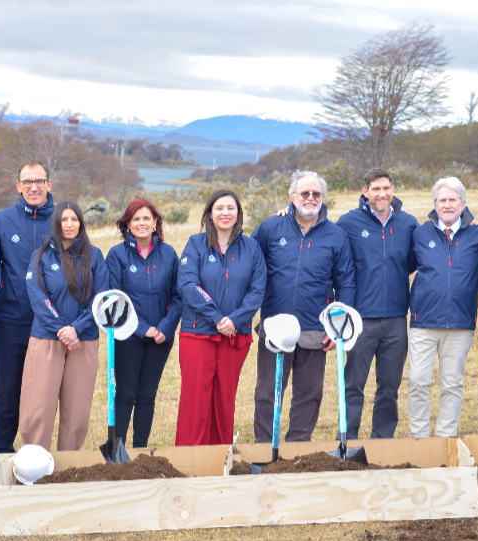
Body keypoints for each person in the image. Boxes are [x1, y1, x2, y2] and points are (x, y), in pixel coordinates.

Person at [251, 170, 355, 443]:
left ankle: (297, 448)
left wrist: (337, 329)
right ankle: (264, 447)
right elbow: (250, 264)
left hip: (315, 331)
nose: (310, 198)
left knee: (309, 395)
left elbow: (345, 284)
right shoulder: (271, 227)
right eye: (304, 193)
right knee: (267, 393)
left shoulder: (336, 235)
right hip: (275, 327)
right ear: (292, 197)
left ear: (323, 198)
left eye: (316, 194)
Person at [334, 168, 419, 439]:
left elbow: (416, 260)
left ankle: (382, 441)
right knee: (353, 384)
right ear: (365, 192)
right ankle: (347, 442)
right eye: (375, 189)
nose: (381, 194)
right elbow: (327, 245)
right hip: (360, 320)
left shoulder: (408, 224)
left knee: (389, 386)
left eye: (386, 188)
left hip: (396, 319)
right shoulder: (348, 223)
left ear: (393, 189)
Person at [176, 190, 266, 445]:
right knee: (195, 400)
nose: (225, 213)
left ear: (238, 214)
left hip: (235, 336)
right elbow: (188, 284)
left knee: (224, 400)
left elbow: (257, 290)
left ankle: (219, 457)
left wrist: (234, 321)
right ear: (210, 213)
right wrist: (217, 318)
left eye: (231, 208)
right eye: (219, 208)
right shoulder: (195, 244)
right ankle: (189, 458)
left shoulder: (252, 247)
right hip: (198, 334)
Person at [20, 201, 110, 451]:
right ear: (56, 224)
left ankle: (68, 467)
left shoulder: (96, 256)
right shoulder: (41, 256)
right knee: (37, 409)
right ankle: (35, 465)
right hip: (48, 339)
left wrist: (77, 329)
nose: (69, 225)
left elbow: (101, 298)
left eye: (74, 220)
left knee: (77, 412)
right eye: (64, 220)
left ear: (81, 223)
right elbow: (38, 297)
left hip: (84, 341)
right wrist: (62, 328)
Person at [407, 176, 478, 438]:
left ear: (463, 204)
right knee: (418, 381)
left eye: (453, 199)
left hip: (460, 322)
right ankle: (419, 439)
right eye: (442, 200)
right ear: (435, 204)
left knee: (451, 385)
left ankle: (444, 439)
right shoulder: (420, 233)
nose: (447, 204)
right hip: (423, 322)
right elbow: (407, 264)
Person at [0, 161, 56, 453]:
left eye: (39, 181)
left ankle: (38, 451)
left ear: (49, 184)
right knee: (8, 390)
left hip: (52, 323)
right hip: (11, 320)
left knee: (43, 392)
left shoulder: (64, 220)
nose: (34, 187)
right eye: (27, 182)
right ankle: (3, 449)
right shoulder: (1, 221)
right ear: (18, 186)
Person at [104, 198, 182, 448]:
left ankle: (139, 450)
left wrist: (165, 328)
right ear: (127, 223)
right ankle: (118, 450)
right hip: (128, 338)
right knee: (125, 394)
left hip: (160, 338)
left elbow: (178, 295)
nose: (141, 223)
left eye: (146, 218)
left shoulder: (168, 253)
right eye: (135, 218)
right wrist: (141, 328)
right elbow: (112, 298)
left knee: (147, 395)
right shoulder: (116, 255)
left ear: (155, 221)